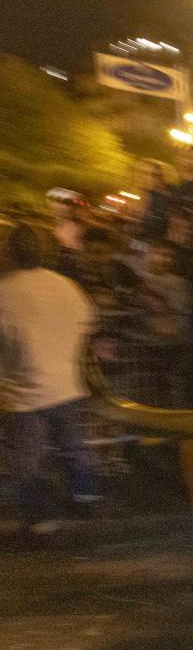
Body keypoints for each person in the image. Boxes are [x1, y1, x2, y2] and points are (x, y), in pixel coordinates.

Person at [0, 225, 100, 536]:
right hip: (66, 385)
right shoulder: (67, 286)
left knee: (25, 461)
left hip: (23, 392)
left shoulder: (4, 291)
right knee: (74, 447)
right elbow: (88, 322)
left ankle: (40, 517)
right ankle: (85, 499)